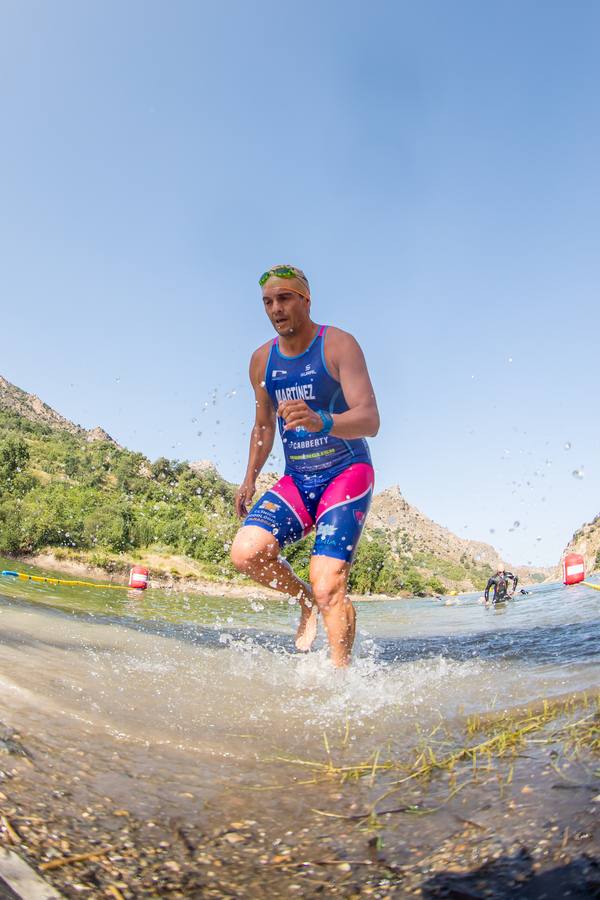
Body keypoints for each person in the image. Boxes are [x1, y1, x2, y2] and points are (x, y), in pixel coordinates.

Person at [230, 264, 379, 666]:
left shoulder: (338, 345)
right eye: (267, 302)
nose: (275, 309)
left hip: (346, 473)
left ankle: (340, 677)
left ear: (305, 300)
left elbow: (370, 419)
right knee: (246, 552)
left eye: (284, 298)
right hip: (299, 479)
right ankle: (303, 601)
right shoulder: (262, 361)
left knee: (328, 583)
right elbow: (263, 426)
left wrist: (323, 420)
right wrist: (249, 479)